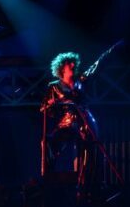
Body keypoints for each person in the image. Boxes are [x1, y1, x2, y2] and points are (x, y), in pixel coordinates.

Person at [40, 51, 100, 189]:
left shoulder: (82, 81)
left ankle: (84, 183)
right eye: (69, 64)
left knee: (88, 147)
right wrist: (51, 104)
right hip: (66, 124)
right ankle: (48, 178)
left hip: (84, 121)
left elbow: (96, 66)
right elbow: (43, 109)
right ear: (62, 68)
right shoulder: (54, 86)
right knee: (47, 142)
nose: (73, 65)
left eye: (74, 63)